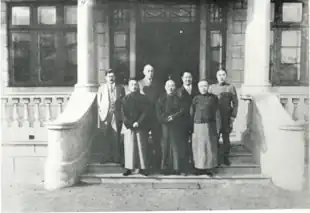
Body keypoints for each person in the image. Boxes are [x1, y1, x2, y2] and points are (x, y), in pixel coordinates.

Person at [190, 80, 221, 177]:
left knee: (209, 147)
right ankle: (199, 168)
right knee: (199, 147)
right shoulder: (195, 98)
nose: (203, 88)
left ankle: (209, 168)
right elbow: (192, 112)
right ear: (198, 88)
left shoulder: (213, 98)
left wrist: (217, 127)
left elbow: (217, 113)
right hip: (198, 125)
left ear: (208, 87)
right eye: (201, 86)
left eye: (205, 86)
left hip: (209, 126)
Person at [208, 69, 238, 166]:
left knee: (226, 137)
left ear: (226, 76)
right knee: (215, 137)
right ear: (217, 77)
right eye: (219, 75)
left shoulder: (231, 87)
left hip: (226, 116)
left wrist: (233, 116)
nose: (221, 77)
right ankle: (216, 158)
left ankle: (225, 157)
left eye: (223, 75)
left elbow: (235, 103)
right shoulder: (212, 88)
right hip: (215, 116)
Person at [122, 78, 150, 176]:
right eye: (132, 85)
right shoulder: (125, 99)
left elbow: (146, 112)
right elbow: (123, 114)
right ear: (129, 87)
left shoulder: (143, 98)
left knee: (141, 147)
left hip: (140, 126)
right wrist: (130, 123)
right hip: (129, 126)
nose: (134, 86)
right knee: (130, 147)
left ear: (138, 86)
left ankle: (143, 168)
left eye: (135, 84)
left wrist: (138, 122)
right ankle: (129, 168)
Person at [156, 79, 184, 175]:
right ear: (165, 87)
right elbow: (158, 112)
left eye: (172, 86)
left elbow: (182, 111)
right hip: (165, 125)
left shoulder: (178, 98)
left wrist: (174, 117)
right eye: (168, 86)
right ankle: (164, 168)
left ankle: (176, 168)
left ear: (175, 87)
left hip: (176, 125)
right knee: (165, 146)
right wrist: (165, 119)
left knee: (175, 146)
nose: (170, 88)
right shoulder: (161, 98)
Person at [97, 69, 125, 164]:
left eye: (112, 76)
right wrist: (102, 115)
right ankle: (105, 157)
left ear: (115, 77)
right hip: (105, 115)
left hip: (116, 115)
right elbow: (99, 103)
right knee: (105, 136)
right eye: (109, 76)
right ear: (106, 78)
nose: (111, 78)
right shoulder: (101, 88)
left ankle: (116, 157)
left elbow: (123, 102)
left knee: (116, 136)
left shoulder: (120, 88)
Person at [138, 64, 163, 171]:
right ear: (144, 72)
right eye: (148, 71)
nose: (150, 73)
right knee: (143, 142)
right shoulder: (139, 84)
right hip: (143, 117)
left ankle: (157, 165)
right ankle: (145, 165)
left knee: (157, 141)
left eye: (152, 71)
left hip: (155, 117)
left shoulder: (158, 84)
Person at [176, 71, 199, 174]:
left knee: (194, 144)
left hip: (195, 121)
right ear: (182, 79)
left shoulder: (197, 91)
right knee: (183, 145)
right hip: (182, 122)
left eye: (189, 77)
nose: (188, 79)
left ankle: (195, 166)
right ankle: (184, 167)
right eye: (185, 77)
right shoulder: (178, 92)